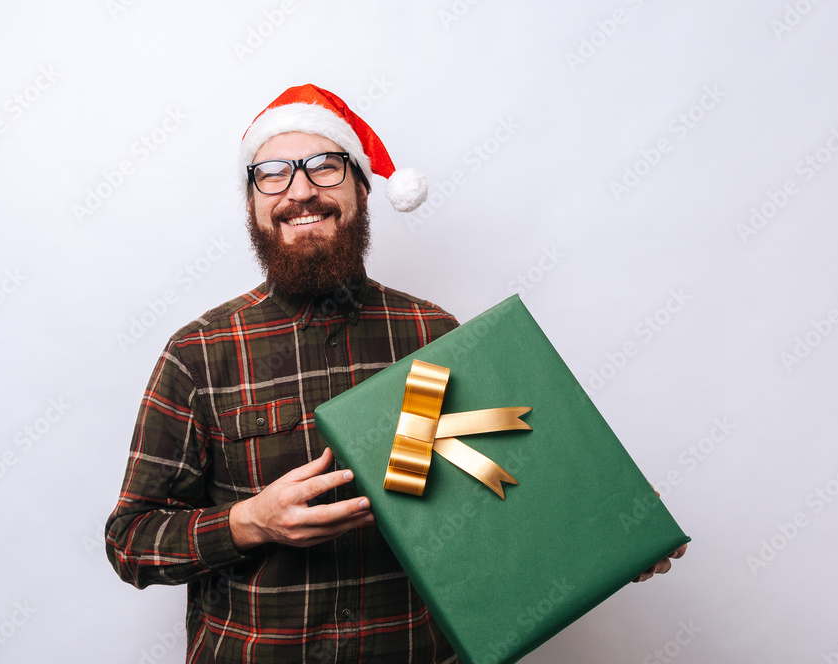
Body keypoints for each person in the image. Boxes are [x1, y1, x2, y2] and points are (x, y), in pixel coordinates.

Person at [105, 84, 685, 664]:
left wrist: (607, 529)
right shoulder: (199, 353)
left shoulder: (433, 337)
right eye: (274, 174)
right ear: (253, 202)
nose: (301, 191)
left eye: (326, 168)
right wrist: (249, 521)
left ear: (362, 189)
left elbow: (494, 499)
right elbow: (129, 542)